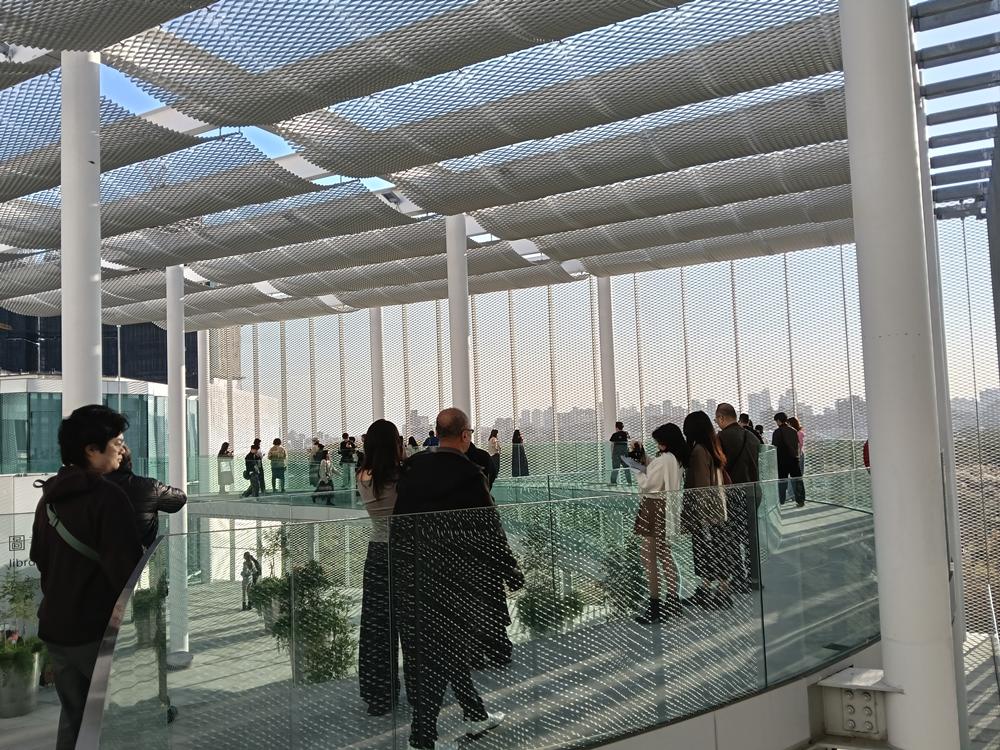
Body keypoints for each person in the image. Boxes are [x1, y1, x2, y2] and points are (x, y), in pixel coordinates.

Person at [393, 408, 519, 750]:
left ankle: (475, 716)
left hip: (417, 576)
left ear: (437, 433)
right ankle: (422, 739)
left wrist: (400, 571)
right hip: (458, 580)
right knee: (444, 654)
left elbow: (399, 524)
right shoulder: (469, 473)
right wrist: (510, 570)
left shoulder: (414, 468)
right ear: (465, 435)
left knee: (446, 651)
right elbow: (491, 527)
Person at [29, 405, 140, 749]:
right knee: (115, 724)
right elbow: (127, 571)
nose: (122, 449)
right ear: (92, 450)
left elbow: (40, 558)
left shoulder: (49, 498)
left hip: (57, 629)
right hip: (96, 633)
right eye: (117, 443)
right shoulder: (108, 498)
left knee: (74, 718)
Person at [356, 419, 404, 715]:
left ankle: (379, 695)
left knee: (376, 627)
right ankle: (420, 689)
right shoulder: (402, 477)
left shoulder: (362, 475)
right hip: (404, 553)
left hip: (376, 554)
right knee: (411, 624)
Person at [633, 423, 688, 624]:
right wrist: (643, 458)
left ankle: (654, 606)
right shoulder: (676, 458)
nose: (658, 444)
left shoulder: (665, 459)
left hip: (654, 507)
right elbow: (655, 469)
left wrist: (635, 464)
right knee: (665, 554)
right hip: (665, 509)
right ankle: (672, 602)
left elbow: (648, 483)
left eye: (659, 441)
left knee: (648, 558)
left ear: (665, 442)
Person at [682, 410, 735, 610]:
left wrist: (700, 516)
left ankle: (714, 592)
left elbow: (701, 487)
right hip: (718, 509)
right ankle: (716, 590)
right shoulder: (712, 448)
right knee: (718, 548)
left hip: (706, 513)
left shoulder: (698, 451)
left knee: (706, 550)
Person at [715, 403, 762, 593]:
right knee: (751, 536)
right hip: (753, 492)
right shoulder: (752, 436)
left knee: (731, 537)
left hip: (733, 493)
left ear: (722, 418)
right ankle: (755, 578)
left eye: (717, 419)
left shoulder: (721, 438)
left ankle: (738, 578)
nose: (717, 423)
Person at [106, 445, 187, 549]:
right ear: (129, 463)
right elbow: (180, 498)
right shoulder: (149, 487)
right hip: (140, 554)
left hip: (100, 554)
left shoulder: (92, 487)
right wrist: (159, 491)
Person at [773, 412, 805, 507]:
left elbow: (774, 447)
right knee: (797, 480)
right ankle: (800, 500)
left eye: (776, 421)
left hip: (782, 460)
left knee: (782, 481)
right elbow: (797, 445)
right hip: (794, 459)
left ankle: (781, 501)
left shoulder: (777, 432)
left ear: (779, 421)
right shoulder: (793, 431)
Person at [609, 421, 631, 485]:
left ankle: (613, 483)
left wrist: (612, 454)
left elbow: (612, 445)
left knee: (615, 469)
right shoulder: (626, 433)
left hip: (616, 454)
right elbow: (628, 441)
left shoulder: (614, 435)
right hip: (625, 453)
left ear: (616, 427)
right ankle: (629, 482)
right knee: (626, 468)